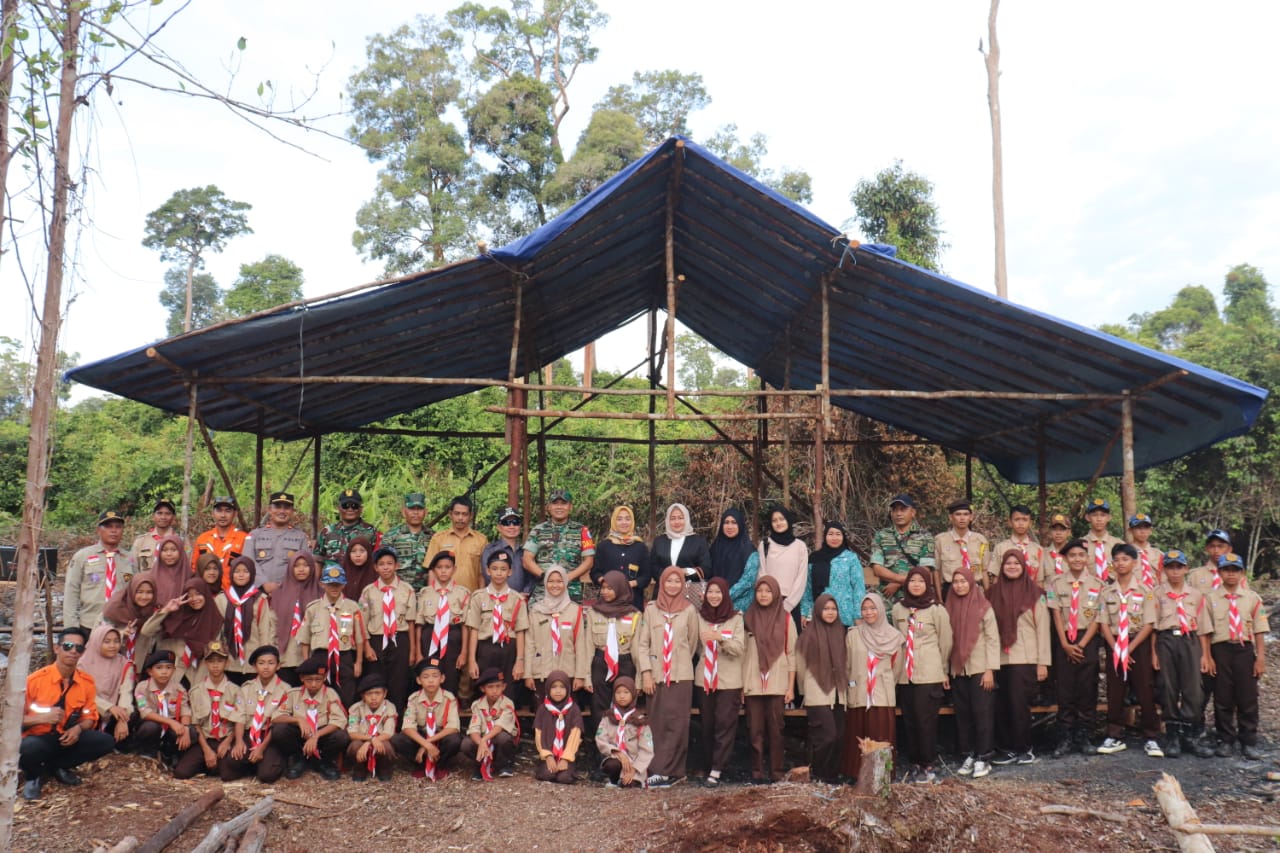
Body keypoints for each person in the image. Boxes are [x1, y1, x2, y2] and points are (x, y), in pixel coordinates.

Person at [20, 627, 115, 800]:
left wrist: (78, 729)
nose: (73, 651)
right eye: (68, 646)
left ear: (83, 652)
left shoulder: (86, 682)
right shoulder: (34, 681)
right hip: (38, 737)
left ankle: (56, 767)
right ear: (57, 648)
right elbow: (12, 722)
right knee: (30, 747)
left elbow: (90, 717)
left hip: (66, 736)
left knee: (105, 741)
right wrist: (42, 718)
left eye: (78, 648)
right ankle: (33, 777)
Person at [635, 566, 700, 788]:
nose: (673, 585)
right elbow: (643, 644)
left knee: (678, 723)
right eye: (669, 581)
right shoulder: (651, 609)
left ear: (683, 585)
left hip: (681, 676)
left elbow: (691, 644)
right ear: (662, 583)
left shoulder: (690, 610)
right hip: (656, 676)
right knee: (658, 723)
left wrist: (677, 663)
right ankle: (657, 769)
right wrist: (646, 673)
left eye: (677, 581)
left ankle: (674, 771)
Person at [1095, 543, 1160, 757]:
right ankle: (1114, 734)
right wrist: (1116, 649)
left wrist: (1129, 648)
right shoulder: (1106, 592)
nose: (1121, 563)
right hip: (1114, 643)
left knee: (1144, 688)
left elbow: (1149, 623)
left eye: (1125, 559)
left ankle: (1151, 736)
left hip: (1137, 643)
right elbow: (1103, 622)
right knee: (1115, 689)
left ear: (1134, 562)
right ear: (1112, 564)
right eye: (1117, 559)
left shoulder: (1145, 592)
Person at [989, 551, 1051, 766]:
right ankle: (1006, 749)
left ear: (1024, 566)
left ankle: (1024, 748)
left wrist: (1042, 662)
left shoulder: (1035, 594)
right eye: (1008, 563)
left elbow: (1043, 630)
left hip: (1024, 657)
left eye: (1017, 563)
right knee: (1002, 705)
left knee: (1019, 705)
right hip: (999, 658)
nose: (1012, 566)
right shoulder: (992, 593)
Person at [1151, 549, 1214, 758]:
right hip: (1166, 639)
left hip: (1190, 641)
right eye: (1170, 567)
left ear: (1186, 569)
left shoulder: (1196, 595)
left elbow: (1204, 628)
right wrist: (1154, 653)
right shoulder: (1157, 593)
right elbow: (1153, 626)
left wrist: (1205, 655)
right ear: (1164, 570)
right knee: (1168, 686)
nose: (1175, 572)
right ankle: (1172, 736)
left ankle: (1189, 734)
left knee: (1193, 688)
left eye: (1179, 567)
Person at [1206, 552, 1269, 760]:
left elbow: (1259, 629)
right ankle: (1225, 739)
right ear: (1220, 572)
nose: (1231, 575)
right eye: (1226, 570)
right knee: (1222, 697)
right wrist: (1207, 656)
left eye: (1235, 570)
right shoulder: (1211, 599)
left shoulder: (1252, 598)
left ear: (1242, 573)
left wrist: (1260, 657)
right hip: (1221, 650)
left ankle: (1248, 741)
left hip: (1244, 651)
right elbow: (1206, 631)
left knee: (1247, 696)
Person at [892, 567, 952, 783]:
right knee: (910, 720)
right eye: (912, 581)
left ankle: (928, 764)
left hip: (929, 672)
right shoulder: (899, 609)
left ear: (928, 584)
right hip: (905, 673)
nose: (916, 584)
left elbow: (946, 642)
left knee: (925, 720)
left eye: (921, 581)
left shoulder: (937, 610)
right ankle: (914, 762)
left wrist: (943, 669)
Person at [1047, 538, 1104, 757]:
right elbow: (1056, 615)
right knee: (1064, 689)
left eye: (1081, 555)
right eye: (1072, 556)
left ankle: (1084, 737)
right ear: (1065, 559)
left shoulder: (1098, 585)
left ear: (1087, 558)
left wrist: (1080, 644)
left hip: (1086, 640)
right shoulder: (1056, 583)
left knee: (1087, 688)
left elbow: (1098, 618)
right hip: (1063, 640)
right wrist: (1064, 644)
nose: (1077, 559)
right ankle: (1065, 738)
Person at [841, 593, 904, 782]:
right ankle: (856, 775)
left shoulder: (894, 636)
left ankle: (881, 775)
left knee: (881, 735)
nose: (868, 613)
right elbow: (848, 665)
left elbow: (897, 668)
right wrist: (852, 685)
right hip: (859, 693)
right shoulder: (853, 634)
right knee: (857, 736)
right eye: (865, 609)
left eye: (872, 608)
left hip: (882, 694)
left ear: (881, 610)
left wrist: (883, 684)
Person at [945, 566, 999, 779]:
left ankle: (984, 757)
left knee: (982, 713)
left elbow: (993, 639)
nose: (959, 585)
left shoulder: (984, 606)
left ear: (971, 583)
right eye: (955, 581)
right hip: (958, 669)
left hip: (979, 668)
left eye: (963, 581)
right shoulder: (948, 607)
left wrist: (989, 670)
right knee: (963, 714)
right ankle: (969, 754)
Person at [742, 575, 797, 784]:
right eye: (760, 591)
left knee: (776, 730)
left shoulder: (785, 618)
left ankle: (776, 772)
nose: (763, 595)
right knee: (754, 730)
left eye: (768, 591)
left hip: (777, 682)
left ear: (775, 594)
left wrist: (791, 687)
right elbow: (742, 654)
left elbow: (792, 653)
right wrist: (741, 685)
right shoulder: (748, 618)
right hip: (753, 682)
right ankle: (757, 772)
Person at [693, 576, 744, 786]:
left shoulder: (735, 618)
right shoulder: (698, 617)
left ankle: (717, 769)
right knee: (707, 724)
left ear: (725, 595)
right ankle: (708, 765)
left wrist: (720, 638)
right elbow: (694, 645)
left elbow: (739, 648)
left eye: (718, 592)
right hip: (704, 678)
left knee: (725, 724)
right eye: (711, 592)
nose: (714, 596)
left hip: (728, 680)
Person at [271, 654, 349, 780]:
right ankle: (298, 758)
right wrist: (298, 720)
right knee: (280, 730)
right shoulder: (293, 694)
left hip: (322, 736)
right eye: (309, 680)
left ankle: (325, 761)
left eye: (318, 679)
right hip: (301, 736)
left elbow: (339, 720)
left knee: (341, 736)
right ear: (302, 678)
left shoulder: (330, 694)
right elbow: (276, 717)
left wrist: (316, 736)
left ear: (324, 678)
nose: (313, 684)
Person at [300, 562, 366, 709]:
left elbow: (360, 637)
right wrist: (306, 663)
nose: (334, 588)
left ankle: (344, 727)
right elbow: (305, 640)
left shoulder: (352, 607)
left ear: (344, 585)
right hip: (320, 656)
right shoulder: (313, 609)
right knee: (320, 694)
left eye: (338, 584)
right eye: (330, 585)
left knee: (347, 693)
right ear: (322, 584)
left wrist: (359, 662)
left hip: (344, 657)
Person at [797, 593, 848, 784]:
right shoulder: (808, 635)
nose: (830, 612)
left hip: (839, 693)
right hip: (817, 693)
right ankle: (818, 774)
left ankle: (831, 777)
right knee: (827, 737)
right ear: (818, 610)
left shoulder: (841, 633)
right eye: (825, 609)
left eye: (833, 609)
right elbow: (801, 667)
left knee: (839, 737)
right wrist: (805, 691)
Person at [360, 545, 416, 712]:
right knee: (377, 681)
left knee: (399, 682)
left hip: (400, 639)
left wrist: (412, 650)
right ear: (375, 567)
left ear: (396, 566)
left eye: (390, 563)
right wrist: (367, 647)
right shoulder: (368, 592)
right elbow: (362, 622)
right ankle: (377, 720)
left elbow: (411, 621)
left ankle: (396, 722)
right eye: (382, 564)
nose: (386, 567)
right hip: (376, 640)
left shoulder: (408, 590)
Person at [466, 550, 528, 699]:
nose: (499, 573)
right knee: (484, 690)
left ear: (510, 572)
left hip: (509, 649)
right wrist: (472, 659)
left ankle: (506, 720)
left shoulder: (517, 599)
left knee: (508, 691)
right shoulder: (478, 597)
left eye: (503, 569)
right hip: (485, 649)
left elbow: (520, 632)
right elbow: (473, 629)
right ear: (488, 571)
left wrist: (520, 660)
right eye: (494, 569)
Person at [143, 574, 223, 687]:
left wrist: (199, 686)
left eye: (198, 594)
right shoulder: (175, 616)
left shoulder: (215, 621)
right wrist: (166, 610)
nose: (194, 599)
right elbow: (146, 631)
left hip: (196, 678)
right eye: (190, 595)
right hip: (169, 676)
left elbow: (213, 655)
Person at [729, 507, 809, 621]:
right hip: (768, 603)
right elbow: (762, 575)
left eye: (781, 519)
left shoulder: (800, 546)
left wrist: (788, 605)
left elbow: (801, 579)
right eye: (774, 520)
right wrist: (767, 598)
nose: (778, 523)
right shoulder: (765, 545)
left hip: (792, 605)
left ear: (788, 520)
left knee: (790, 637)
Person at [174, 641, 239, 780]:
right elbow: (196, 724)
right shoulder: (196, 691)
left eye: (220, 661)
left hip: (225, 739)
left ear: (227, 663)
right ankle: (208, 761)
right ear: (205, 663)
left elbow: (238, 722)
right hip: (205, 740)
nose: (215, 665)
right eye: (211, 661)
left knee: (228, 776)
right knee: (181, 773)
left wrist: (227, 742)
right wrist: (207, 750)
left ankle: (215, 765)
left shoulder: (236, 691)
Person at [584, 570, 642, 725]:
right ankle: (601, 744)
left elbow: (637, 649)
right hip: (600, 662)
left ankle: (624, 743)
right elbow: (587, 646)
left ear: (621, 588)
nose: (605, 592)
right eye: (603, 588)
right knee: (598, 705)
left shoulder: (634, 615)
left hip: (625, 662)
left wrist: (640, 678)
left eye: (610, 588)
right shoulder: (593, 612)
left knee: (625, 703)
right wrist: (586, 676)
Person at [225, 645, 290, 782]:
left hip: (269, 738)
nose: (266, 667)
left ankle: (280, 760)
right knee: (228, 769)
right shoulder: (247, 688)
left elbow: (279, 722)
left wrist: (261, 748)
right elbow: (240, 717)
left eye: (271, 663)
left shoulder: (285, 690)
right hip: (250, 735)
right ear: (255, 667)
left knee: (267, 776)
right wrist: (238, 742)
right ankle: (252, 764)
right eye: (261, 663)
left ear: (278, 666)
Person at [65, 510, 136, 632]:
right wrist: (71, 627)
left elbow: (136, 592)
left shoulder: (130, 559)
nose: (113, 531)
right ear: (98, 530)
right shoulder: (82, 556)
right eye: (108, 527)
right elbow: (71, 591)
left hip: (120, 626)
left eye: (118, 527)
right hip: (89, 624)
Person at [525, 565, 590, 698]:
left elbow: (580, 645)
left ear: (565, 583)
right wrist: (528, 674)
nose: (555, 585)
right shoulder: (536, 611)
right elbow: (529, 644)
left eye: (559, 581)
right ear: (545, 583)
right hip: (541, 673)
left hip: (568, 673)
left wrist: (580, 675)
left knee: (568, 715)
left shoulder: (574, 610)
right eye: (551, 581)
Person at [392, 660, 463, 780]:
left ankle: (441, 765)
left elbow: (453, 727)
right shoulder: (413, 699)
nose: (431, 680)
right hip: (422, 735)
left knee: (454, 740)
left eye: (435, 676)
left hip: (440, 736)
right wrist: (426, 744)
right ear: (419, 680)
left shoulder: (449, 698)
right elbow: (407, 727)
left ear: (442, 678)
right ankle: (419, 765)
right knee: (399, 739)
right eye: (425, 677)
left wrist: (426, 745)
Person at [414, 551, 471, 697]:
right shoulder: (425, 593)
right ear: (433, 570)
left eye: (448, 567)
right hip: (430, 636)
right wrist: (418, 652)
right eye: (439, 567)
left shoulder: (463, 593)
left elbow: (465, 625)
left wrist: (464, 652)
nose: (443, 570)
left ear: (454, 569)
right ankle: (429, 705)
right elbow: (419, 625)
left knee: (451, 672)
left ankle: (450, 705)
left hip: (453, 636)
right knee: (430, 671)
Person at [523, 488, 595, 602]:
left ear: (570, 507)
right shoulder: (538, 530)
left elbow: (589, 561)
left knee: (570, 620)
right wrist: (544, 576)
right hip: (543, 592)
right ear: (549, 507)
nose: (559, 507)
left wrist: (568, 577)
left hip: (571, 592)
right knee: (539, 619)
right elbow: (527, 559)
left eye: (564, 503)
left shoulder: (582, 531)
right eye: (555, 503)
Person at [215, 556, 277, 684]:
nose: (241, 575)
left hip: (252, 661)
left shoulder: (260, 599)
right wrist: (218, 654)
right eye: (237, 571)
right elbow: (217, 631)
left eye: (245, 571)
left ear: (252, 574)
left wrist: (264, 658)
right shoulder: (222, 599)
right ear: (231, 574)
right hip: (229, 661)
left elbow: (264, 630)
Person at [270, 550, 323, 686]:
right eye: (296, 565)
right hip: (285, 655)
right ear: (290, 568)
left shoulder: (321, 594)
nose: (301, 569)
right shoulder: (278, 594)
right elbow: (272, 625)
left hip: (311, 655)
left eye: (305, 565)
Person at [131, 649, 192, 766]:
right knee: (150, 727)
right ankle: (147, 752)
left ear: (174, 670)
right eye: (159, 668)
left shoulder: (179, 689)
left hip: (170, 729)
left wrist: (185, 729)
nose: (164, 672)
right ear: (150, 671)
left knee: (190, 732)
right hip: (151, 724)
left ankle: (169, 753)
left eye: (168, 668)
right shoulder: (142, 687)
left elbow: (186, 712)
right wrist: (170, 722)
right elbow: (145, 712)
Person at [869, 495, 935, 603]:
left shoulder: (925, 536)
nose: (898, 513)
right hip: (888, 598)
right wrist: (901, 580)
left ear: (913, 512)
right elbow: (877, 568)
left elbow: (926, 569)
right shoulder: (881, 535)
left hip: (917, 597)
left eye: (903, 509)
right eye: (895, 510)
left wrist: (897, 583)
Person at [801, 521, 865, 627]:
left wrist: (858, 615)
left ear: (843, 537)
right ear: (825, 536)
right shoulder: (815, 558)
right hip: (820, 614)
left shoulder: (850, 558)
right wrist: (805, 612)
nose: (834, 538)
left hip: (845, 615)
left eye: (838, 534)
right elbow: (807, 588)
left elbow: (858, 588)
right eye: (830, 534)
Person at [243, 491, 309, 592]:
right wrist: (263, 583)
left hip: (289, 592)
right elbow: (248, 561)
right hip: (257, 592)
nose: (282, 511)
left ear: (292, 511)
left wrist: (285, 586)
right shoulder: (255, 535)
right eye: (277, 507)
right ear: (269, 509)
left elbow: (305, 566)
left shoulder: (301, 537)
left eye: (286, 508)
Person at [78, 623, 133, 744]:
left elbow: (126, 691)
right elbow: (83, 693)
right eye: (107, 642)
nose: (112, 646)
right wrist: (108, 707)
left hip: (116, 712)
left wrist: (122, 719)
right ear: (97, 642)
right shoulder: (83, 664)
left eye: (116, 641)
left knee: (134, 715)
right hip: (89, 710)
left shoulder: (123, 663)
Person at [595, 676, 652, 788]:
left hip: (634, 763)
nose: (622, 696)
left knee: (630, 785)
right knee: (611, 765)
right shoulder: (608, 716)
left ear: (633, 694)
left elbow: (647, 750)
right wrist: (617, 752)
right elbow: (600, 738)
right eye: (618, 692)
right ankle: (614, 779)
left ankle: (629, 778)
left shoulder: (640, 720)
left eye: (626, 692)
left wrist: (634, 769)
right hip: (617, 758)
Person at [462, 668, 519, 779]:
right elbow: (474, 729)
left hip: (498, 741)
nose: (494, 691)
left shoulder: (507, 703)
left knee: (503, 738)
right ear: (483, 689)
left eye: (498, 686)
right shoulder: (477, 705)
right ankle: (480, 764)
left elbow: (500, 726)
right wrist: (481, 741)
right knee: (466, 744)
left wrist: (484, 739)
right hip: (484, 742)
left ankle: (504, 764)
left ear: (504, 687)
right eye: (490, 687)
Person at [650, 502, 711, 605]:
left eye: (680, 518)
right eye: (673, 518)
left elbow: (707, 568)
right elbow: (652, 566)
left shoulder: (698, 541)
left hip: (689, 594)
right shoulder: (659, 541)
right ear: (668, 521)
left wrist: (686, 571)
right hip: (663, 593)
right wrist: (670, 574)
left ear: (686, 519)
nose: (676, 521)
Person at [592, 504, 651, 609]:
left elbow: (646, 576)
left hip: (633, 601)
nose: (624, 522)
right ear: (614, 521)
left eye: (627, 519)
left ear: (632, 521)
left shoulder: (640, 547)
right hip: (608, 601)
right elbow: (595, 572)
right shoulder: (604, 546)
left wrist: (630, 584)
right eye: (619, 519)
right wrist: (607, 584)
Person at [101, 571, 160, 676]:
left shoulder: (154, 610)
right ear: (132, 590)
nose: (144, 596)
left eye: (149, 592)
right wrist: (120, 634)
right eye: (139, 592)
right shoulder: (114, 608)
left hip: (140, 666)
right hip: (111, 666)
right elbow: (97, 638)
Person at [426, 495, 488, 592]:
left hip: (470, 598)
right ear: (450, 514)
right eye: (457, 513)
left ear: (471, 516)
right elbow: (432, 572)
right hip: (444, 599)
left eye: (464, 514)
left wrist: (481, 598)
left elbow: (482, 574)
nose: (460, 518)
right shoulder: (438, 539)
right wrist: (432, 597)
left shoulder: (481, 540)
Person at [533, 670, 584, 784]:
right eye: (554, 687)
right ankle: (547, 764)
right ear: (548, 689)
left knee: (564, 778)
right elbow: (538, 735)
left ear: (568, 689)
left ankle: (569, 766)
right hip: (549, 754)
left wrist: (566, 758)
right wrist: (548, 755)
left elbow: (575, 735)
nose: (558, 691)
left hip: (567, 755)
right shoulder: (543, 709)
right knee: (547, 774)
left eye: (562, 687)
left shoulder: (574, 709)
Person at [345, 673, 398, 782]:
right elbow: (352, 733)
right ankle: (360, 768)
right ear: (363, 696)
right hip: (362, 741)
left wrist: (370, 741)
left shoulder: (389, 707)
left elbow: (388, 733)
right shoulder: (355, 708)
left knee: (386, 746)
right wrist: (370, 739)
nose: (373, 698)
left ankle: (383, 768)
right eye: (369, 694)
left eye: (377, 693)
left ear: (385, 693)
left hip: (381, 740)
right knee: (355, 745)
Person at [934, 500, 990, 599]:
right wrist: (939, 599)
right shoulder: (941, 540)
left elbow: (984, 571)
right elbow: (936, 571)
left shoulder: (980, 540)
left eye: (966, 514)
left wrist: (988, 598)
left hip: (976, 591)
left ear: (971, 517)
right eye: (958, 514)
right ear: (951, 517)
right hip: (950, 591)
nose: (962, 518)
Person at [381, 492, 434, 590]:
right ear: (403, 511)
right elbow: (383, 565)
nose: (415, 513)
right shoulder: (392, 536)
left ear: (426, 512)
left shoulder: (433, 537)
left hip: (425, 592)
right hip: (398, 592)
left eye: (419, 509)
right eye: (411, 509)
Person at [194, 496, 247, 592]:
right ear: (213, 513)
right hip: (205, 594)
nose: (223, 515)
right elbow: (194, 568)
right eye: (219, 510)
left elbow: (248, 571)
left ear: (235, 514)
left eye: (227, 511)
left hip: (232, 595)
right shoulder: (202, 539)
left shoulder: (243, 539)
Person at [316, 487, 381, 561]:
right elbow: (318, 559)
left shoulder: (371, 531)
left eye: (354, 506)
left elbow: (377, 560)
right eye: (345, 506)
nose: (350, 509)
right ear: (338, 508)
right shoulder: (327, 532)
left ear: (361, 509)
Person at [988, 505, 1045, 584]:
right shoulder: (1000, 548)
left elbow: (1040, 581)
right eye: (1017, 519)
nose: (1021, 523)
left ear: (1030, 523)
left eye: (1025, 520)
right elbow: (996, 579)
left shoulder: (1038, 550)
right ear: (1010, 522)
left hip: (1032, 594)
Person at [480, 506, 528, 593]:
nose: (512, 526)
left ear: (520, 526)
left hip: (522, 600)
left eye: (515, 522)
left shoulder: (525, 551)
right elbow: (488, 577)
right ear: (499, 527)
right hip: (497, 600)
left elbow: (531, 577)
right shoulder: (490, 551)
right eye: (506, 523)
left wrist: (525, 593)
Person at [707, 508, 754, 589]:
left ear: (740, 524)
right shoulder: (716, 547)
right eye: (726, 522)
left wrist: (725, 596)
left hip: (740, 599)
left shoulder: (748, 549)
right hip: (714, 597)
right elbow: (708, 573)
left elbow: (747, 581)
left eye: (734, 523)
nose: (730, 527)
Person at [130, 499, 179, 573]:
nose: (163, 517)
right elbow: (132, 568)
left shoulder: (180, 541)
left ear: (174, 517)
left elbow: (186, 569)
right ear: (153, 516)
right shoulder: (140, 541)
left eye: (168, 513)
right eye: (159, 513)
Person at [1081, 498, 1123, 582]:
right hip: (1087, 589)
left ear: (1109, 517)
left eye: (1103, 515)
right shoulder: (1079, 544)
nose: (1099, 519)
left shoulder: (1118, 544)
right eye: (1095, 515)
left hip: (1113, 589)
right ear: (1088, 517)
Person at [150, 534, 192, 613]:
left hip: (184, 620)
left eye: (173, 550)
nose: (169, 554)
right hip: (158, 619)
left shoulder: (188, 575)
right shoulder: (152, 576)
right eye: (164, 550)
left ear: (181, 552)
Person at [1129, 513, 1163, 589]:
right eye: (1138, 528)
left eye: (1146, 528)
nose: (1142, 531)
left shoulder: (1159, 555)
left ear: (1150, 530)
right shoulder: (1123, 553)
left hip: (1154, 594)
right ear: (1130, 530)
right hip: (1132, 595)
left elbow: (1165, 580)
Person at [341, 536, 378, 602]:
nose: (358, 555)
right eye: (353, 551)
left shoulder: (376, 572)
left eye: (362, 551)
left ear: (368, 552)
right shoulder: (341, 572)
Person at [1043, 513, 1074, 577]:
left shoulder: (1075, 554)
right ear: (1050, 532)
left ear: (1069, 532)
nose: (1058, 533)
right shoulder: (1043, 554)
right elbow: (1039, 581)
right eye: (1055, 529)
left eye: (1062, 529)